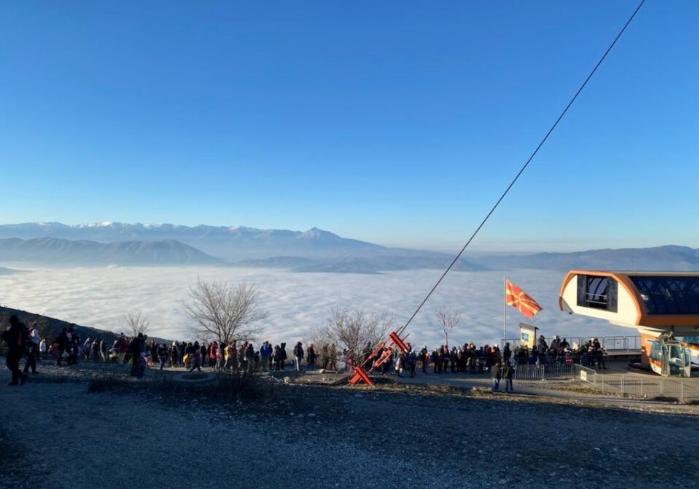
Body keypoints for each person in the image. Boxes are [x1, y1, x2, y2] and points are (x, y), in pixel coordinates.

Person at [3, 315, 28, 386]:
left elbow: (5, 337)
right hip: (21, 349)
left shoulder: (12, 328)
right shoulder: (22, 327)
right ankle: (15, 381)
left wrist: (6, 330)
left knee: (10, 364)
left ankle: (21, 376)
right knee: (15, 364)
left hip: (13, 348)